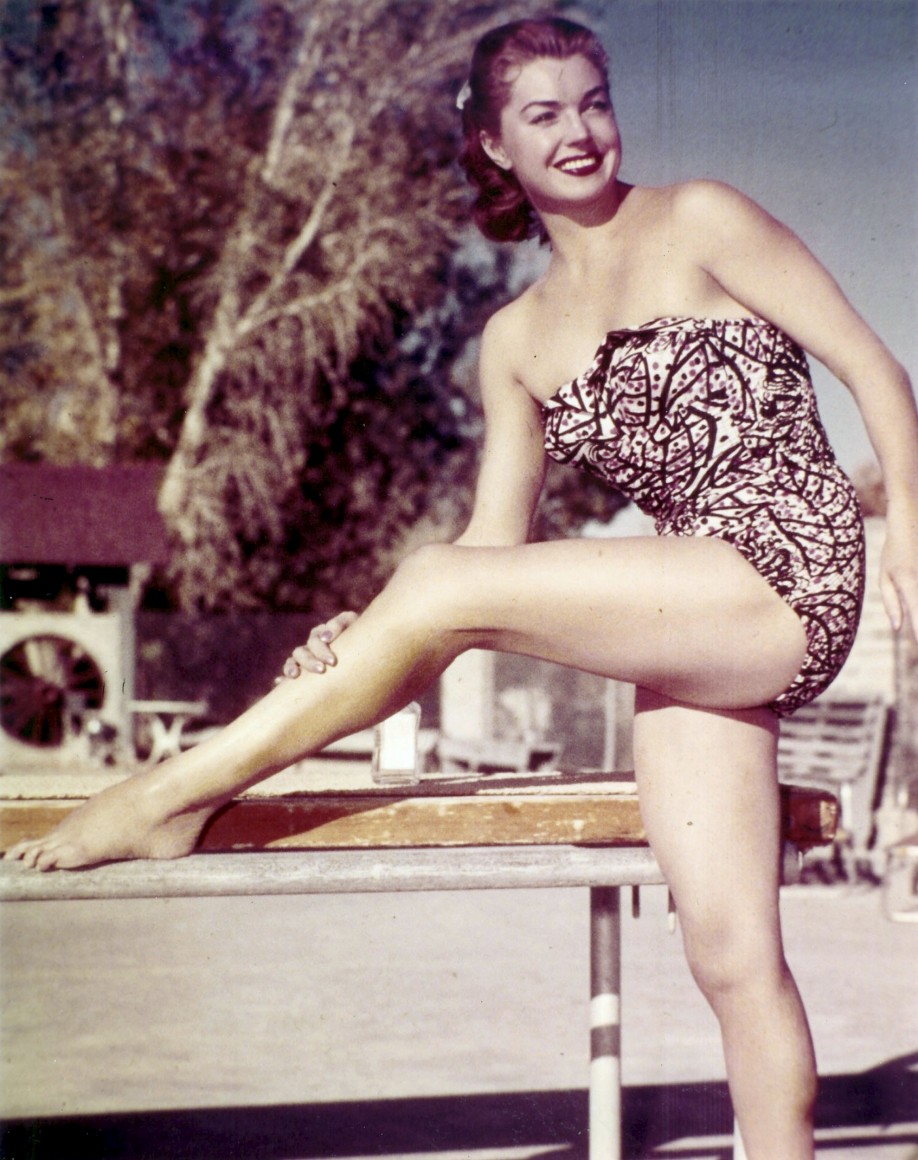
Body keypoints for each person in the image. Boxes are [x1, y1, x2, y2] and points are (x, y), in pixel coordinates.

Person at [6, 15, 918, 1157]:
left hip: (790, 560)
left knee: (440, 587)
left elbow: (877, 368)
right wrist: (382, 624)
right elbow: (490, 555)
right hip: (695, 610)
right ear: (494, 144)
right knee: (730, 958)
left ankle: (172, 794)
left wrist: (909, 536)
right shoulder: (514, 340)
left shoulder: (701, 217)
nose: (579, 132)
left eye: (593, 102)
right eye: (544, 114)